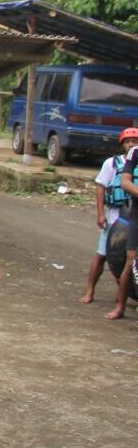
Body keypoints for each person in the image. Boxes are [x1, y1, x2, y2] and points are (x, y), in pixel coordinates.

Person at [85, 129, 138, 304]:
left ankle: (123, 293)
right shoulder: (112, 163)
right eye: (128, 141)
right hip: (115, 215)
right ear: (122, 144)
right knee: (103, 254)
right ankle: (90, 290)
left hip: (132, 213)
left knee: (126, 258)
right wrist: (101, 213)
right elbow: (101, 187)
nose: (131, 144)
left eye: (134, 141)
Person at [106, 138, 138, 320]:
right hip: (136, 215)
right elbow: (125, 182)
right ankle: (121, 306)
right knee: (131, 262)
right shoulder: (135, 152)